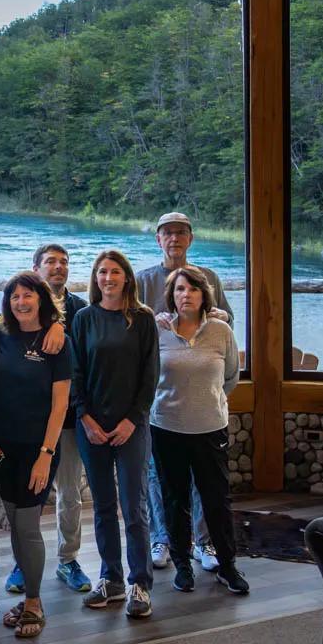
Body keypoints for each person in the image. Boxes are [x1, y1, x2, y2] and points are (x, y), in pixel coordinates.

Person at [136, 211, 234, 573]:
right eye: (167, 233)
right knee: (157, 474)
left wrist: (216, 393)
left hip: (202, 400)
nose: (174, 239)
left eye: (180, 233)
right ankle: (163, 538)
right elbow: (129, 324)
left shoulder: (207, 277)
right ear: (158, 239)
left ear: (190, 238)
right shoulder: (143, 280)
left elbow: (227, 325)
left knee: (202, 480)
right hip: (159, 399)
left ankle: (203, 543)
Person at [151, 265, 248, 595]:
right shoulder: (159, 330)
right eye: (179, 290)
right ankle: (182, 566)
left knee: (216, 500)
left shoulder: (221, 330)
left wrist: (208, 400)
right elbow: (147, 378)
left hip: (210, 429)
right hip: (165, 428)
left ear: (204, 295)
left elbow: (231, 377)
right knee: (174, 500)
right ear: (171, 296)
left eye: (192, 289)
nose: (185, 295)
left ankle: (227, 566)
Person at [73, 249, 159, 619]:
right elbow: (74, 373)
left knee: (134, 507)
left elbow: (150, 374)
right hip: (90, 426)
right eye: (102, 272)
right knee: (103, 505)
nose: (108, 278)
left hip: (131, 428)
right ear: (96, 278)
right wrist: (85, 418)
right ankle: (111, 579)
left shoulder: (141, 320)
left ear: (126, 278)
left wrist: (132, 420)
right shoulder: (83, 319)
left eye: (115, 272)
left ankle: (140, 582)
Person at [0, 272, 71, 638]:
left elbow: (60, 407)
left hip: (38, 449)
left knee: (27, 525)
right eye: (14, 297)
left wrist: (46, 453)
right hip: (2, 448)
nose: (20, 302)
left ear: (40, 298)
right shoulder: (1, 335)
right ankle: (26, 599)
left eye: (27, 295)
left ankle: (35, 601)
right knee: (14, 524)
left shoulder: (57, 343)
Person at [29, 243, 92, 595]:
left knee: (69, 492)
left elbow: (86, 364)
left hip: (69, 418)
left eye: (64, 262)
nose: (58, 268)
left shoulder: (81, 310)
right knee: (30, 494)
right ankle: (26, 564)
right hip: (31, 419)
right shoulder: (22, 305)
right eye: (50, 262)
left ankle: (68, 560)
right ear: (36, 267)